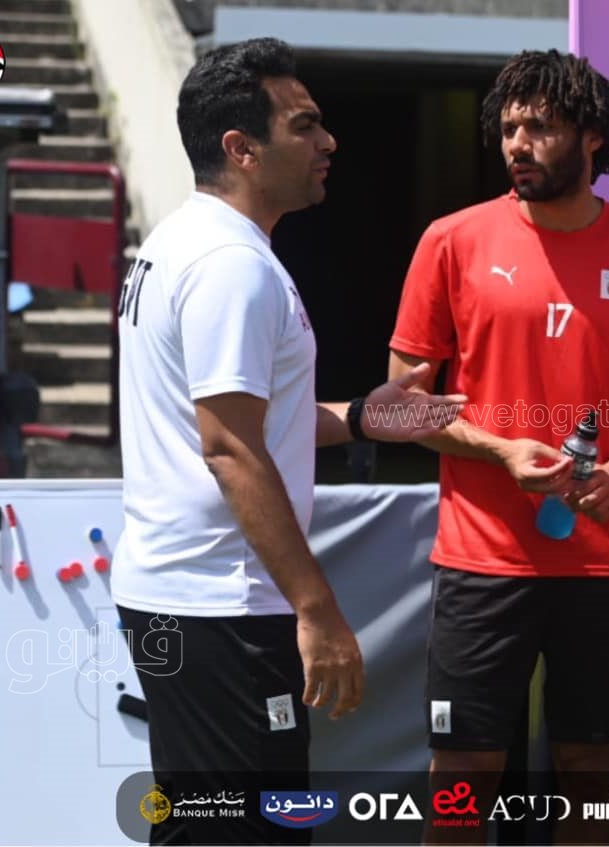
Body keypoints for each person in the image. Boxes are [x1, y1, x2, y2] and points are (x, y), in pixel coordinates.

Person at [112, 38, 464, 845]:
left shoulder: (184, 242)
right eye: (304, 126)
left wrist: (364, 416)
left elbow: (248, 423)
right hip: (221, 606)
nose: (328, 142)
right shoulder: (231, 266)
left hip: (188, 596)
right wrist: (318, 609)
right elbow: (230, 448)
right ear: (241, 148)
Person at [388, 49, 609, 844]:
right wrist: (500, 450)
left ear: (593, 136)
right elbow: (402, 406)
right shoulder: (451, 241)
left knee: (590, 774)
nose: (517, 144)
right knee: (462, 776)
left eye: (538, 127)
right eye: (508, 129)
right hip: (480, 560)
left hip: (600, 564)